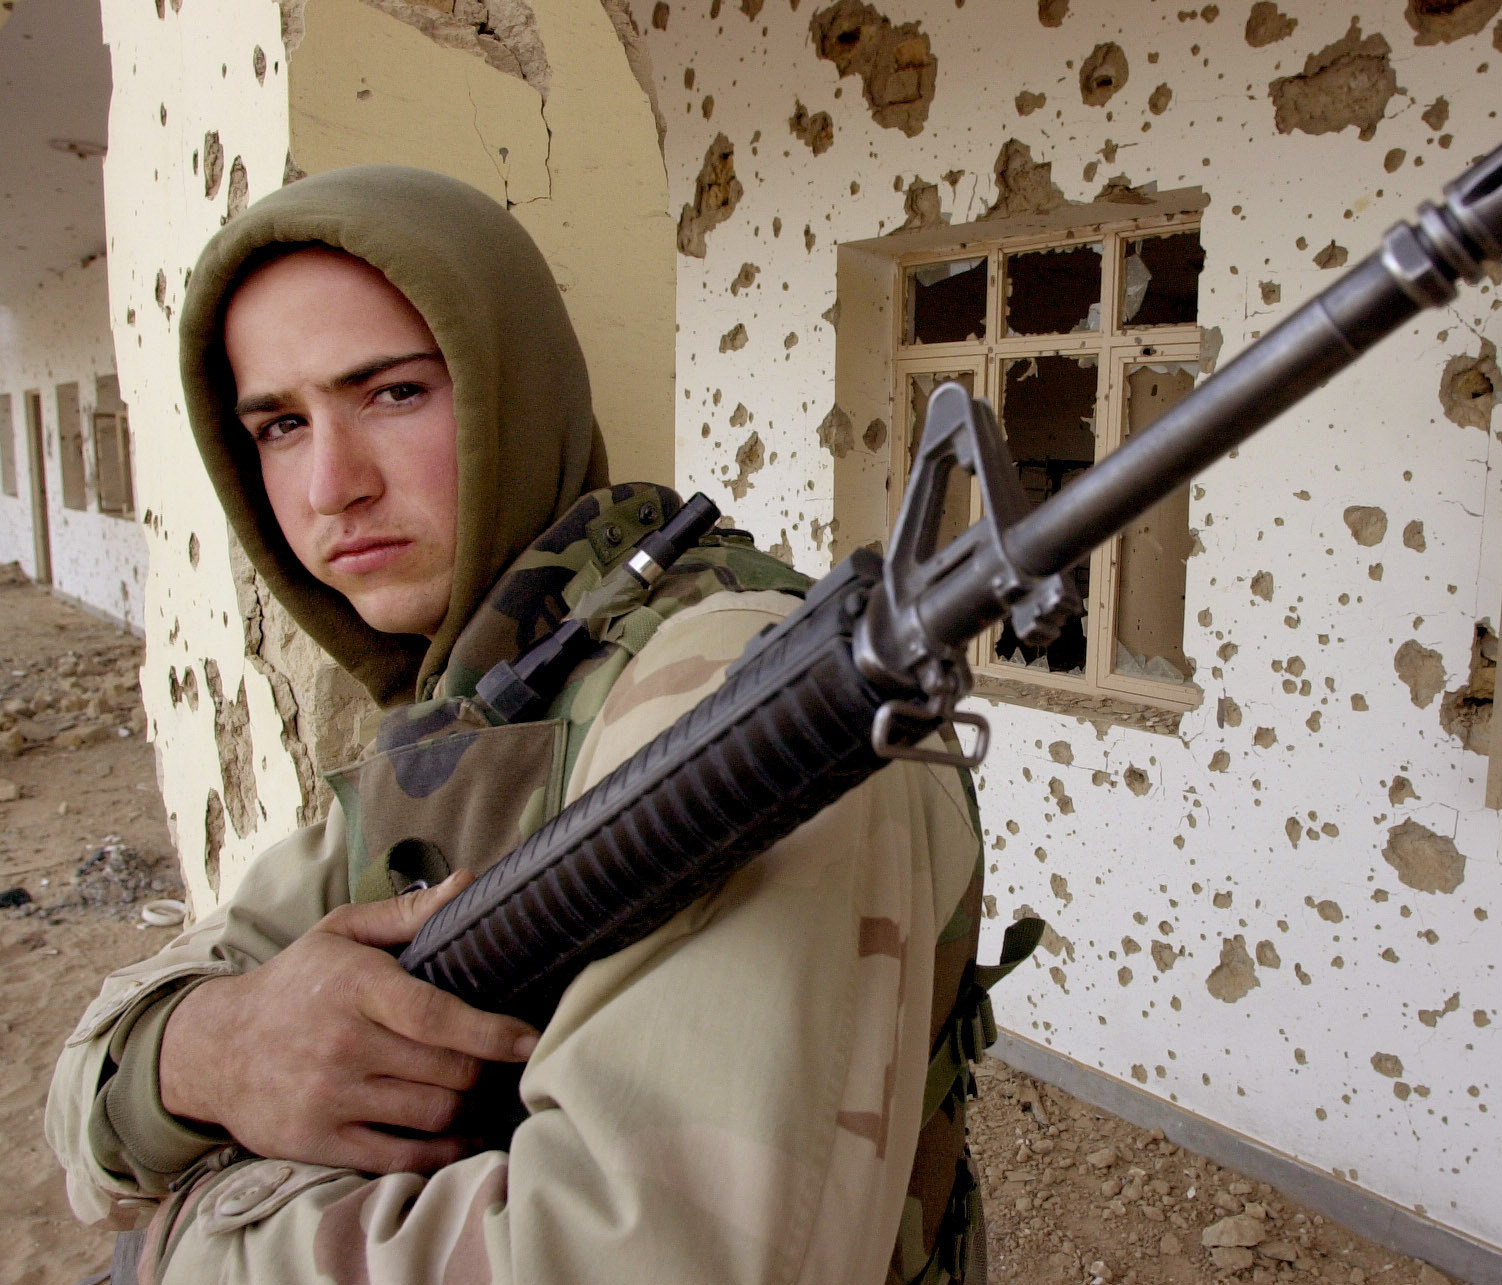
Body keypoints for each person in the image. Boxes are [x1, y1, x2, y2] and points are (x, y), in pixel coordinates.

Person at [46, 165, 1007, 1284]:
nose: (328, 485)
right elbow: (90, 1092)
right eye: (278, 424)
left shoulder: (721, 692)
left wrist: (184, 1238)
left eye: (394, 392)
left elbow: (633, 1257)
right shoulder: (484, 693)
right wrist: (205, 1055)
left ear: (515, 386)